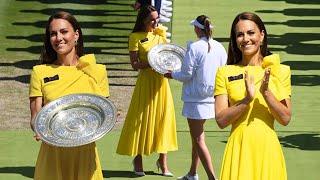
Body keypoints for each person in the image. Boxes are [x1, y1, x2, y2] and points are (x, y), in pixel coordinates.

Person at [29, 11, 109, 180]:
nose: (58, 38)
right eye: (53, 34)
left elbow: (104, 111)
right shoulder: (39, 72)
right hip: (52, 157)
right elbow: (35, 117)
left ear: (76, 35)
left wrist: (109, 116)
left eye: (64, 31)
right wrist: (38, 128)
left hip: (86, 158)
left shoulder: (97, 70)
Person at [214, 12, 292, 180]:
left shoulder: (279, 71)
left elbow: (285, 118)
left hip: (267, 150)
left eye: (251, 33)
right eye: (240, 34)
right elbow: (221, 120)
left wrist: (266, 92)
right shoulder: (224, 72)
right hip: (239, 150)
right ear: (235, 40)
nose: (245, 39)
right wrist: (246, 101)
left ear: (261, 35)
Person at [116, 5, 177, 177]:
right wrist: (151, 64)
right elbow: (134, 64)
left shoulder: (161, 34)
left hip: (161, 83)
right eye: (152, 19)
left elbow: (169, 56)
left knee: (162, 119)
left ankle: (163, 162)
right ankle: (137, 160)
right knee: (140, 120)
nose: (155, 21)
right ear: (143, 20)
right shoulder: (135, 37)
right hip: (145, 83)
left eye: (156, 18)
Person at [165, 15, 226, 180]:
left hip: (196, 100)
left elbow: (186, 74)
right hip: (211, 98)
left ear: (198, 29)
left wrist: (171, 74)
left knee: (198, 140)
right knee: (197, 137)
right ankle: (192, 173)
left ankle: (212, 178)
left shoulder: (195, 47)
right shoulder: (220, 47)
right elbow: (222, 72)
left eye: (195, 27)